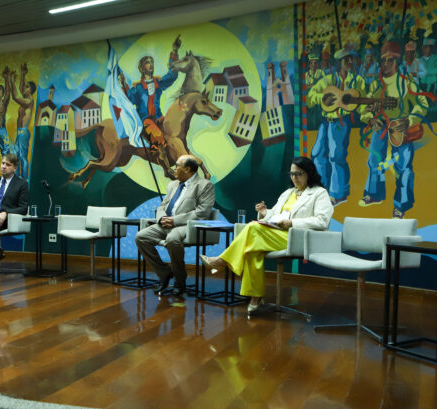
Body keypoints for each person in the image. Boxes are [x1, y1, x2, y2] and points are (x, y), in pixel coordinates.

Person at [200, 157, 333, 313]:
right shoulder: (288, 193)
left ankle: (222, 261)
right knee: (252, 247)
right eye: (292, 173)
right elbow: (275, 214)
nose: (294, 177)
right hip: (277, 234)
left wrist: (292, 223)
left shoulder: (319, 193)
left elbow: (322, 221)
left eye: (299, 173)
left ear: (309, 173)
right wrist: (264, 212)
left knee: (252, 230)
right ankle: (255, 298)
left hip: (298, 238)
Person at [358, 41, 429, 218]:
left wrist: (409, 120)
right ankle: (374, 193)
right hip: (381, 126)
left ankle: (401, 204)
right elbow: (364, 107)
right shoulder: (376, 84)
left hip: (400, 127)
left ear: (397, 61)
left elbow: (422, 103)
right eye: (383, 60)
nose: (386, 63)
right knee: (373, 160)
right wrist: (370, 119)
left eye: (390, 60)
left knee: (403, 166)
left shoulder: (406, 82)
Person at [135, 155, 214, 296]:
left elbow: (203, 212)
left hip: (187, 225)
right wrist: (161, 218)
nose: (174, 169)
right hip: (165, 224)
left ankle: (179, 279)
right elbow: (162, 206)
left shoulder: (205, 185)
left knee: (172, 239)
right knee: (141, 237)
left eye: (177, 165)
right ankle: (164, 273)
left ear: (187, 169)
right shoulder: (172, 185)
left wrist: (174, 220)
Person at [307, 47, 366, 207]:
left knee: (336, 156)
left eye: (351, 59)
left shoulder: (357, 82)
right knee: (317, 154)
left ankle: (338, 193)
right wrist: (324, 98)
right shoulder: (328, 80)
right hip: (325, 122)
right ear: (339, 62)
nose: (350, 62)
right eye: (346, 59)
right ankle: (321, 189)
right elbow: (310, 98)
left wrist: (368, 111)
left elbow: (361, 104)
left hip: (340, 122)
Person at [120, 35, 181, 149]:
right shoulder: (138, 88)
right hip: (145, 121)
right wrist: (123, 84)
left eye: (152, 62)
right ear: (142, 68)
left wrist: (174, 52)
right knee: (158, 137)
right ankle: (160, 155)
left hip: (159, 118)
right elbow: (127, 100)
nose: (151, 64)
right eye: (148, 62)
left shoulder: (158, 83)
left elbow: (172, 75)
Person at [10, 63, 36, 179]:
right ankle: (17, 178)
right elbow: (20, 89)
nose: (24, 88)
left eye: (27, 87)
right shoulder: (26, 99)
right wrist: (23, 74)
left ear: (31, 90)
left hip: (23, 132)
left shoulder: (28, 101)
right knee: (16, 157)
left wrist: (12, 81)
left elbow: (16, 96)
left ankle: (24, 179)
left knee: (23, 157)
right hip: (20, 132)